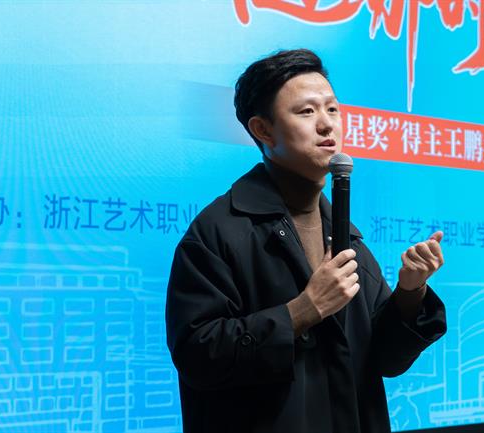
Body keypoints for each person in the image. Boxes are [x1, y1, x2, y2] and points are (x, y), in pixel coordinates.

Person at [166, 49, 447, 433]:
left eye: (332, 109)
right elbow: (197, 355)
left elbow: (386, 360)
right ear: (263, 130)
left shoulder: (347, 237)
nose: (327, 124)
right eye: (307, 111)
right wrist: (301, 311)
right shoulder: (218, 232)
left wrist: (410, 292)